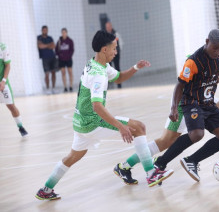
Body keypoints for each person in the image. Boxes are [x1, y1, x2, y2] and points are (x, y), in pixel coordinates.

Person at [35, 30, 173, 201]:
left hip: (79, 122)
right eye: (114, 48)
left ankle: (46, 189)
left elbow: (120, 77)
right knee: (139, 127)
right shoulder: (98, 74)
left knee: (72, 156)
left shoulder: (96, 64)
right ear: (104, 49)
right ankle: (151, 173)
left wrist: (136, 67)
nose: (116, 51)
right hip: (92, 121)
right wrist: (121, 127)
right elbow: (97, 106)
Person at [118, 23, 219, 184]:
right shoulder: (198, 58)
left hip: (206, 98)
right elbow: (183, 83)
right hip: (188, 100)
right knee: (167, 141)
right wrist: (174, 107)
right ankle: (126, 165)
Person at [151, 29, 219, 182]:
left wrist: (216, 76)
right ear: (207, 41)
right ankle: (160, 163)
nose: (217, 52)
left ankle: (192, 161)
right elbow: (180, 85)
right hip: (191, 102)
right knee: (197, 134)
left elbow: (216, 69)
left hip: (208, 102)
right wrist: (174, 108)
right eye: (214, 47)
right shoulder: (193, 62)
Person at [0, 42, 28, 137]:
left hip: (2, 83)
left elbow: (8, 65)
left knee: (11, 106)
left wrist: (3, 81)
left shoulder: (2, 47)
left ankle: (20, 127)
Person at [37, 25, 58, 94]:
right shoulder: (39, 38)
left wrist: (45, 45)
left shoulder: (50, 38)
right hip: (45, 58)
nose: (45, 31)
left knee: (53, 73)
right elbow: (40, 46)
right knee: (47, 74)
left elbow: (53, 46)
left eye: (46, 30)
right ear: (42, 30)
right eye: (44, 30)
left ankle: (53, 88)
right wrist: (48, 45)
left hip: (52, 57)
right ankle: (48, 88)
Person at [56, 28, 74, 92]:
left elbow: (72, 50)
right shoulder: (59, 41)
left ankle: (71, 86)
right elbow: (56, 50)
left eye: (64, 32)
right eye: (62, 32)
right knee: (63, 73)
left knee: (70, 72)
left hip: (68, 59)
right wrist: (60, 55)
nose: (63, 33)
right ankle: (65, 87)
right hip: (61, 60)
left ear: (66, 33)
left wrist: (69, 55)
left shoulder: (70, 41)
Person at [105, 21, 123, 89]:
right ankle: (109, 84)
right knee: (108, 69)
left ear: (111, 27)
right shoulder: (105, 35)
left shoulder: (116, 34)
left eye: (109, 26)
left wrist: (116, 52)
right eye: (106, 27)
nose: (107, 28)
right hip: (108, 55)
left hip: (115, 55)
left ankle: (119, 83)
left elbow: (119, 44)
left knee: (117, 68)